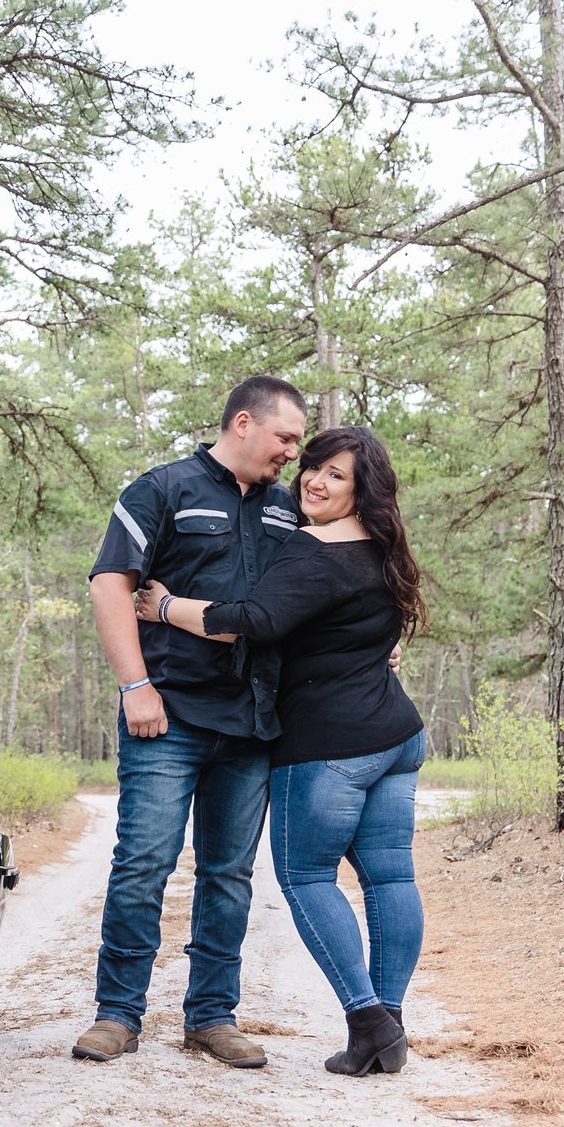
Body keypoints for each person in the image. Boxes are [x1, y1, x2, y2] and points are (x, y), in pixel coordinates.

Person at [133, 425, 429, 1077]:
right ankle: (389, 1025)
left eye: (336, 475)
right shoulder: (383, 548)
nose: (315, 482)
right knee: (391, 876)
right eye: (313, 468)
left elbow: (251, 619)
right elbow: (366, 631)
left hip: (329, 746)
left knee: (306, 877)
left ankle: (368, 1019)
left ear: (362, 488)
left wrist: (165, 607)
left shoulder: (310, 548)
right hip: (397, 737)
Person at [74, 375, 308, 1068]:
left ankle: (211, 1015)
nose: (292, 452)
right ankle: (117, 1013)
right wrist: (135, 685)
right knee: (144, 862)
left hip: (252, 722)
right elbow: (110, 582)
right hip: (166, 715)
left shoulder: (288, 511)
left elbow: (312, 596)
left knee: (229, 874)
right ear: (243, 422)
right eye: (285, 437)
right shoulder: (164, 488)